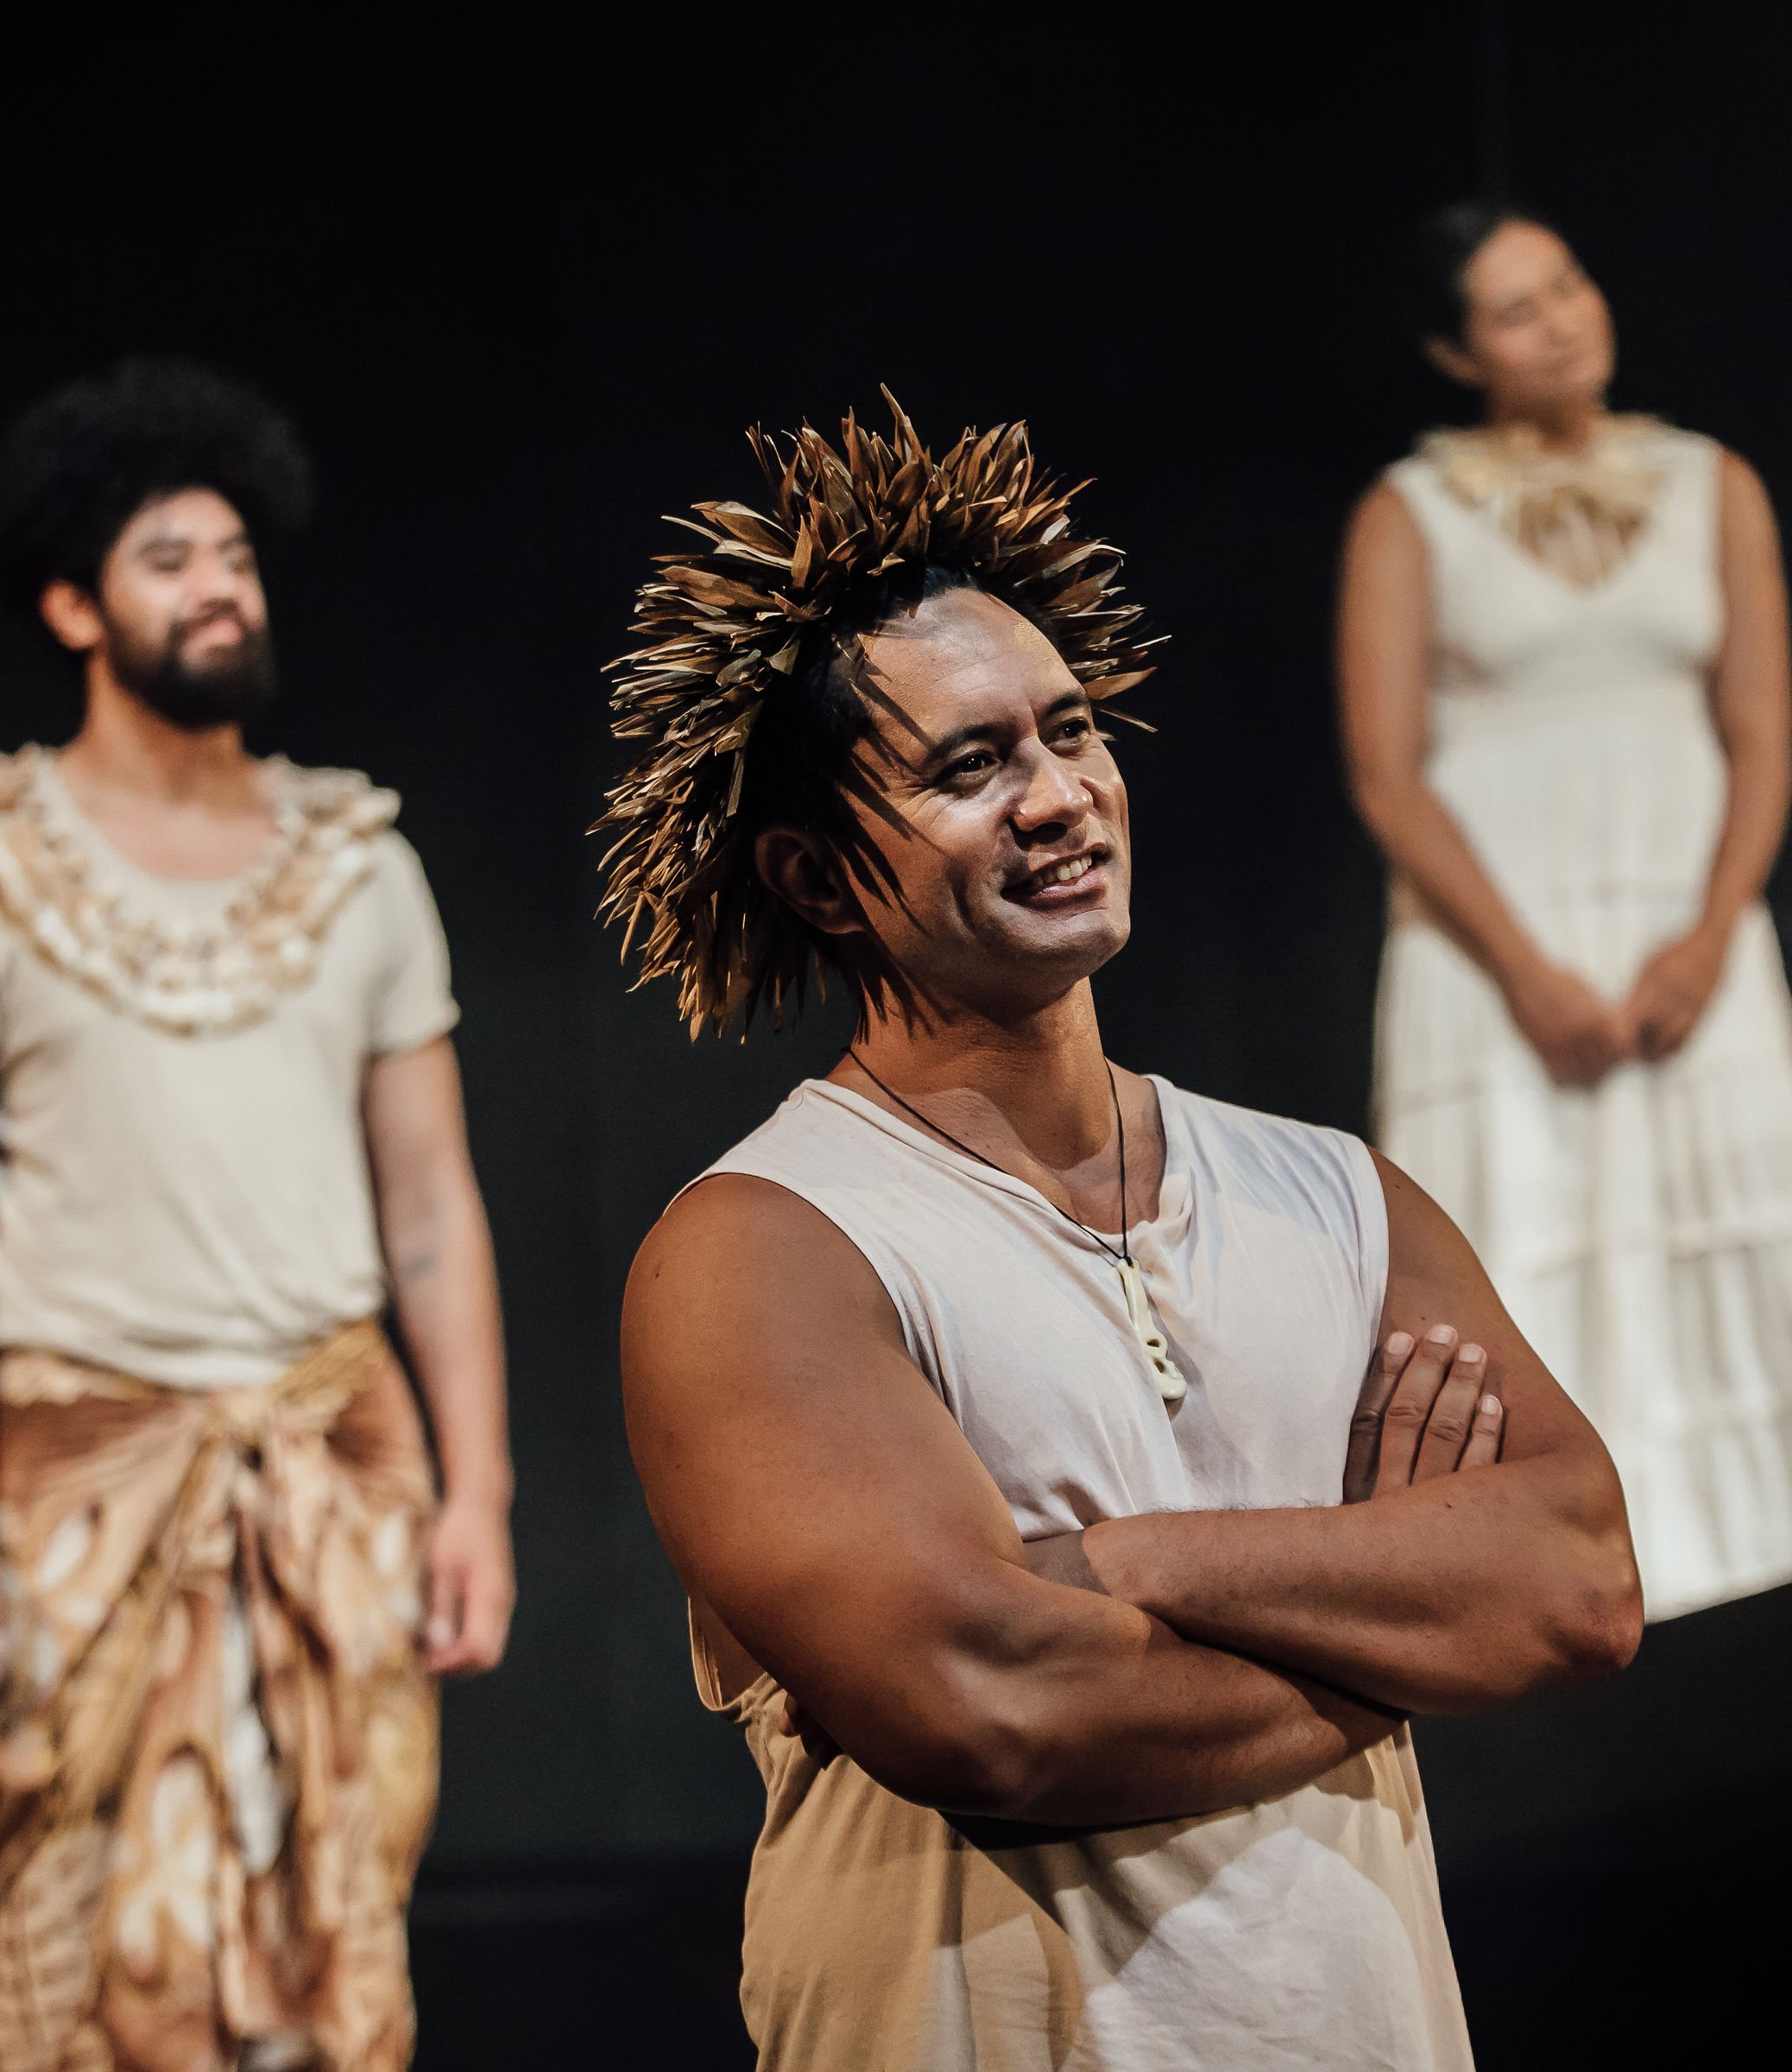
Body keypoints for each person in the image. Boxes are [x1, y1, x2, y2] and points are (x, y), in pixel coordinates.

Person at [607, 398, 1642, 2070]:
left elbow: (1579, 1576)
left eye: (1070, 731)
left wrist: (1144, 1563)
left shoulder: (1339, 1196)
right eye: (971, 763)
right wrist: (1400, 1618)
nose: (1059, 795)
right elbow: (994, 1704)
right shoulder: (765, 1246)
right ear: (813, 878)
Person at [0, 358, 515, 2072]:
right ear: (75, 602)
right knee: (68, 1945)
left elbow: (433, 1207)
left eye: (236, 551)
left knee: (338, 1913)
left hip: (335, 1456)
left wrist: (478, 1492)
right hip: (83, 1472)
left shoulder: (358, 863)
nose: (221, 582)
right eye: (171, 555)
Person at [1336, 202, 1792, 1621]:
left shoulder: (1714, 483)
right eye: (1519, 308)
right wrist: (1526, 971)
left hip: (1683, 943)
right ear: (1455, 352)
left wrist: (1712, 933)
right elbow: (1389, 777)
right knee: (1521, 1264)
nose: (1566, 318)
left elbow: (1760, 735)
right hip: (1496, 962)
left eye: (1571, 282)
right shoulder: (1411, 513)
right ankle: (1534, 1611)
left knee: (1733, 1243)